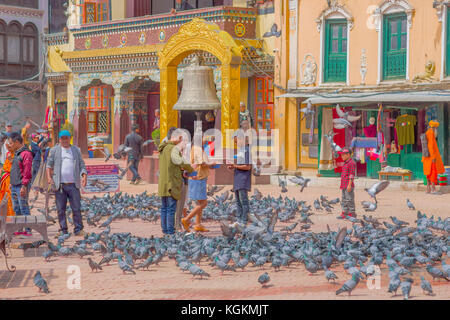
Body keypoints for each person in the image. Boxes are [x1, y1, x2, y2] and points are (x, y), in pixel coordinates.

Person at [46, 130, 87, 237]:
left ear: (70, 138)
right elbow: (49, 165)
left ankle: (78, 229)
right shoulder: (55, 150)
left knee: (76, 208)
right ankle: (63, 230)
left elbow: (81, 164)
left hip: (73, 185)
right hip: (60, 185)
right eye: (62, 138)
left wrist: (84, 176)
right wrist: (49, 177)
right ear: (59, 139)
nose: (64, 140)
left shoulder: (76, 150)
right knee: (60, 209)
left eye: (66, 138)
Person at [158, 127, 194, 235]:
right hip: (171, 183)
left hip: (163, 183)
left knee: (164, 208)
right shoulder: (173, 149)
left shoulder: (163, 148)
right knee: (170, 208)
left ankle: (165, 230)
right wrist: (192, 170)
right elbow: (182, 163)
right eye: (180, 137)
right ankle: (170, 232)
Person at [181, 134, 216, 233]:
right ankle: (186, 219)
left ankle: (198, 224)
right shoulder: (197, 148)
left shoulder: (197, 148)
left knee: (199, 202)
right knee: (204, 203)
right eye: (203, 138)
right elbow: (202, 163)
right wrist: (212, 163)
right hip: (198, 177)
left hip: (199, 176)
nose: (205, 139)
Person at [8, 132, 33, 236]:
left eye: (11, 143)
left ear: (17, 142)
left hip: (21, 186)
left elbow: (27, 172)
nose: (10, 145)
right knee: (16, 208)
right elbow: (16, 169)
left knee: (24, 208)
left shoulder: (26, 154)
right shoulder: (17, 153)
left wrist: (24, 185)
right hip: (14, 185)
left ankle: (28, 229)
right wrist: (11, 183)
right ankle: (19, 228)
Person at [227, 125, 252, 227]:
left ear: (242, 139)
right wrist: (233, 166)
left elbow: (248, 166)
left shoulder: (247, 150)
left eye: (237, 141)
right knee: (237, 201)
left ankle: (244, 221)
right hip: (237, 178)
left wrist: (235, 165)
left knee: (244, 201)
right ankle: (238, 219)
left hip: (243, 179)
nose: (236, 143)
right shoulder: (240, 151)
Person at [422, 120, 445, 195]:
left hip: (426, 157)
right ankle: (433, 189)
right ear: (434, 127)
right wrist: (433, 157)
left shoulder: (427, 132)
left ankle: (428, 189)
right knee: (432, 173)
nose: (436, 130)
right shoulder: (431, 133)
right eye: (436, 128)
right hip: (431, 157)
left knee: (427, 173)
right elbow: (430, 146)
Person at [337, 148, 356, 220]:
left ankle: (352, 213)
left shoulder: (351, 163)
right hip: (344, 184)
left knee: (349, 199)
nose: (342, 156)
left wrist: (349, 185)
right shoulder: (346, 162)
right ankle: (345, 212)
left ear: (348, 155)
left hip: (348, 185)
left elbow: (351, 175)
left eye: (343, 155)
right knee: (344, 199)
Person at [0, 139, 15, 216]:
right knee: (4, 197)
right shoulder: (8, 154)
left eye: (10, 145)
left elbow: (15, 167)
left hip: (11, 178)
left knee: (9, 197)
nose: (8, 147)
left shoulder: (15, 154)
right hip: (5, 178)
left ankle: (10, 215)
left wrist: (10, 159)